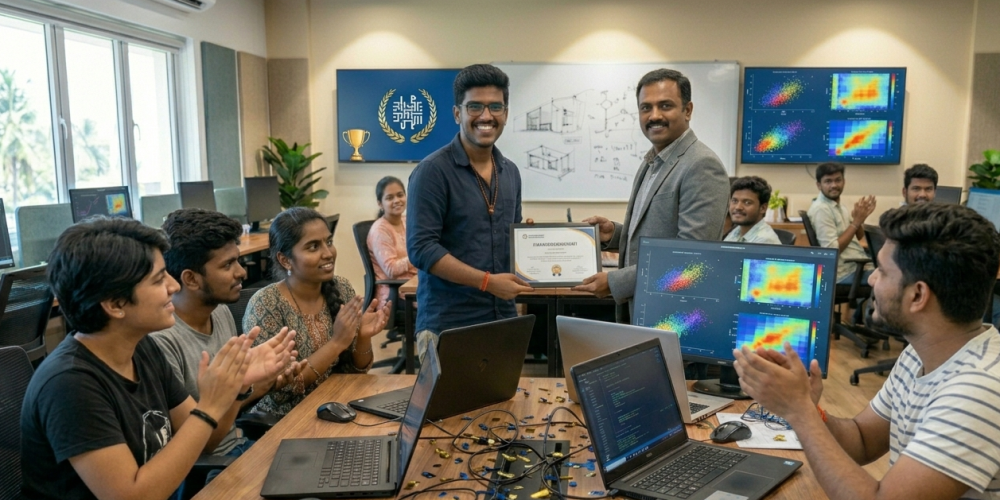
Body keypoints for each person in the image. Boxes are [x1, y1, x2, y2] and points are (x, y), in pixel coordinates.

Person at [734, 203, 1000, 500]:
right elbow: (861, 440)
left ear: (918, 295)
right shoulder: (922, 353)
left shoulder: (979, 389)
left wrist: (798, 410)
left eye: (883, 272)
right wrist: (810, 407)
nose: (872, 279)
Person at [20, 217, 251, 500]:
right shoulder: (70, 384)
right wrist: (209, 407)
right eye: (158, 280)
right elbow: (132, 496)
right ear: (116, 304)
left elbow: (204, 442)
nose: (174, 286)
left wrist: (234, 388)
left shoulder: (141, 348)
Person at [573, 68, 729, 322]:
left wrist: (616, 281)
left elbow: (691, 258)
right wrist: (614, 233)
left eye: (665, 106)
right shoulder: (653, 161)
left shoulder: (701, 165)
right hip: (644, 313)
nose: (654, 116)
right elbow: (659, 236)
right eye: (646, 108)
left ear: (687, 110)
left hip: (675, 319)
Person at [151, 208, 299, 462]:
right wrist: (242, 388)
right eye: (228, 264)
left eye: (237, 261)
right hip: (208, 468)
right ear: (191, 279)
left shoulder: (219, 311)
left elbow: (228, 406)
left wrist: (263, 384)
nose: (241, 272)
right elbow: (202, 444)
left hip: (238, 447)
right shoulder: (162, 341)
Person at [407, 63, 532, 363]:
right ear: (457, 113)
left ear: (505, 112)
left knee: (501, 409)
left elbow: (506, 240)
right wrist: (487, 282)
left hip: (501, 318)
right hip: (448, 324)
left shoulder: (510, 172)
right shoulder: (432, 172)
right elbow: (421, 249)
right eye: (475, 106)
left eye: (495, 107)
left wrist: (531, 242)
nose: (486, 116)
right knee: (448, 411)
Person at [244, 207, 390, 416]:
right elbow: (280, 392)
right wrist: (337, 343)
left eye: (328, 242)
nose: (328, 253)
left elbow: (356, 371)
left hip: (337, 406)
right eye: (313, 247)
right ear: (285, 260)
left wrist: (363, 337)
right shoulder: (266, 304)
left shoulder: (341, 287)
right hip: (286, 420)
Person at [806, 162, 876, 284]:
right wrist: (855, 222)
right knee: (893, 279)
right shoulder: (821, 209)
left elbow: (858, 236)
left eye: (838, 180)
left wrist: (859, 220)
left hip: (858, 267)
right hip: (844, 273)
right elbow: (831, 251)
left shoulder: (839, 207)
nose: (834, 185)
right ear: (819, 185)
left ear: (844, 181)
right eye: (828, 181)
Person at [368, 176, 417, 305]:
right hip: (395, 293)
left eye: (400, 195)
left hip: (415, 285)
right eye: (390, 198)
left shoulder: (407, 221)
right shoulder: (380, 230)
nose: (397, 200)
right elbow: (391, 270)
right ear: (380, 204)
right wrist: (418, 254)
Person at [723, 176, 782, 245]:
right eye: (734, 201)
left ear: (763, 208)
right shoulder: (737, 231)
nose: (738, 207)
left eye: (747, 202)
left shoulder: (765, 241)